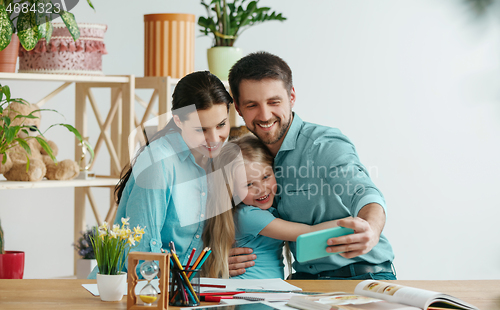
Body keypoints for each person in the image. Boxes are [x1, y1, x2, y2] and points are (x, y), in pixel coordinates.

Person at [226, 52, 396, 280]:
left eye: (274, 102)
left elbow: (363, 192)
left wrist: (371, 229)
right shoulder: (247, 156)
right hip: (304, 281)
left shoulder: (324, 145)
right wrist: (219, 257)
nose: (265, 115)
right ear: (237, 107)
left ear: (292, 97)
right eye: (252, 105)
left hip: (361, 277)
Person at [88, 71, 232, 278]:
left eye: (221, 125)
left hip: (178, 290)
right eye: (201, 129)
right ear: (179, 121)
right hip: (134, 291)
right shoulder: (159, 163)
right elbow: (143, 256)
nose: (214, 138)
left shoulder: (217, 160)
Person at [202, 134, 339, 279]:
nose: (261, 189)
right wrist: (356, 221)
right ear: (232, 190)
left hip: (262, 290)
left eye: (266, 177)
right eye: (249, 184)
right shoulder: (249, 216)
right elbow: (308, 233)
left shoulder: (261, 211)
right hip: (252, 292)